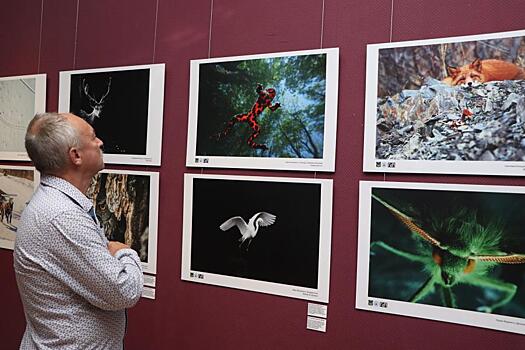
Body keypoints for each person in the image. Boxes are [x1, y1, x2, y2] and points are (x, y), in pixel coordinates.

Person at [14, 112, 144, 349]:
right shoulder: (63, 216)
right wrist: (125, 253)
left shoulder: (56, 203)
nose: (100, 142)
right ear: (75, 155)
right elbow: (124, 291)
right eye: (93, 137)